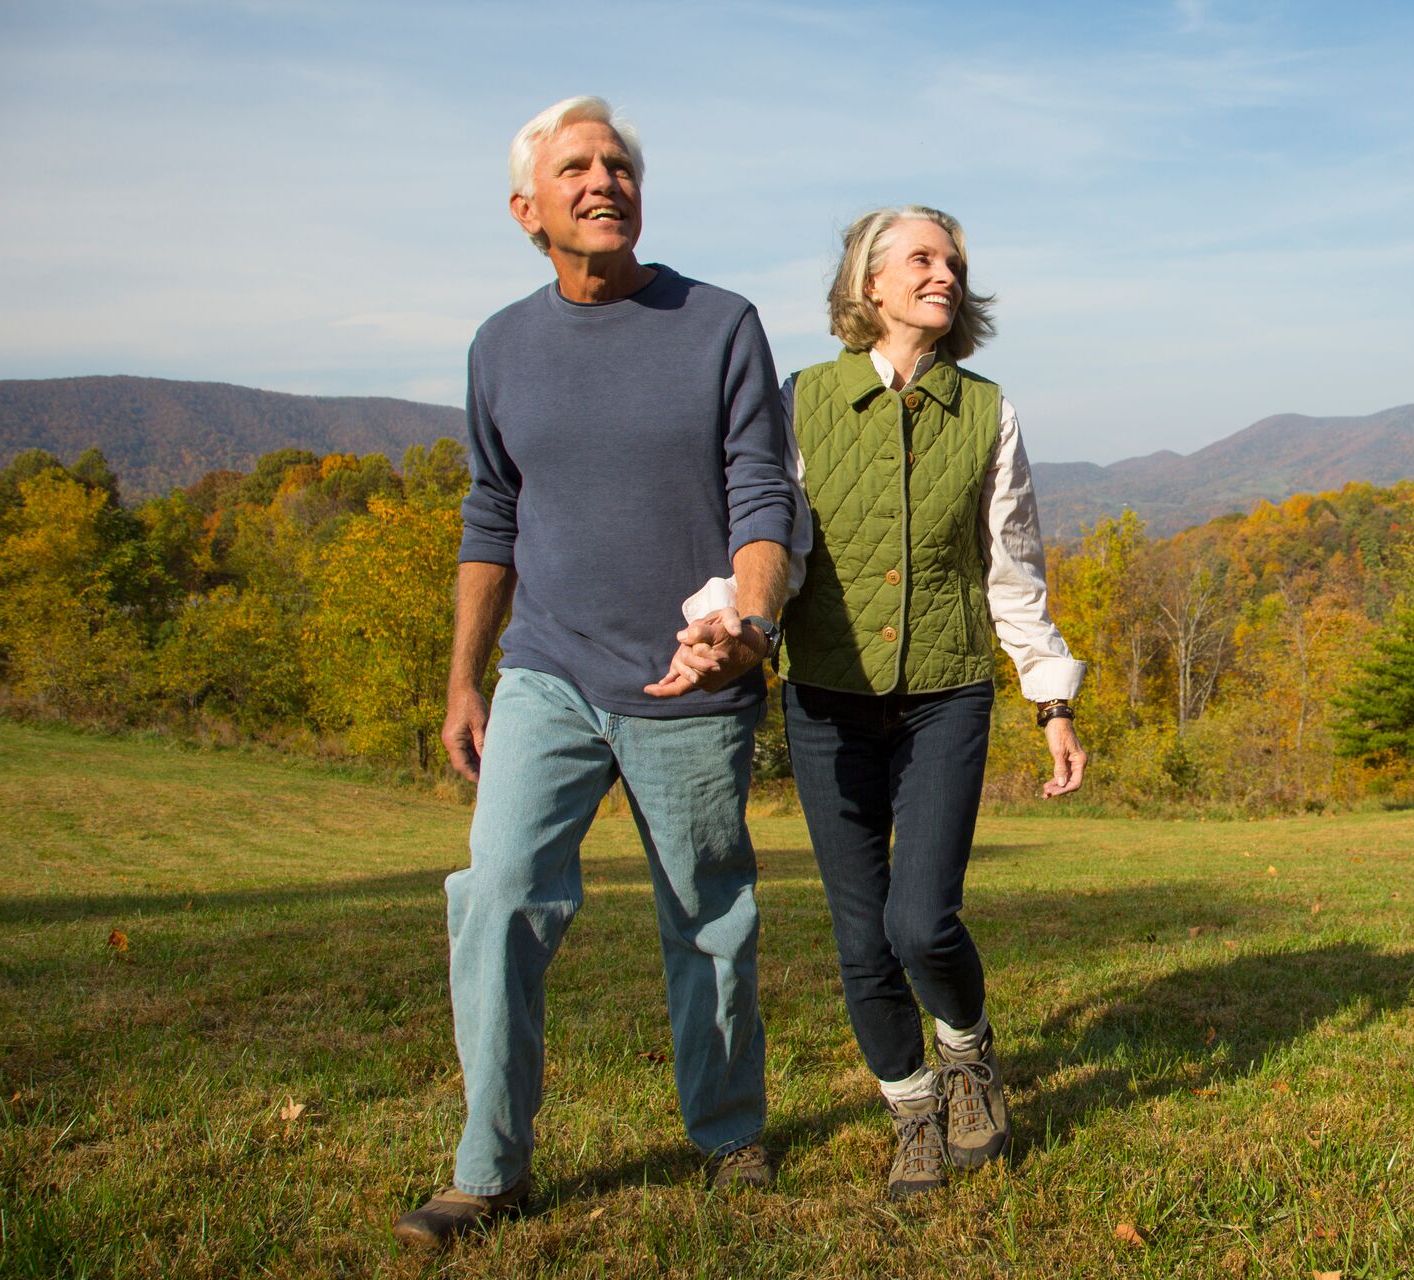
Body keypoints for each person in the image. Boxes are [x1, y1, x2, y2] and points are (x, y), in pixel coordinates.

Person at [393, 95, 794, 1247]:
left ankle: (727, 1135)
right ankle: (489, 1167)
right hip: (549, 670)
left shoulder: (720, 322)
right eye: (575, 167)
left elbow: (763, 495)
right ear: (529, 210)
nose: (603, 179)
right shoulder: (500, 345)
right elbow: (492, 510)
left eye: (618, 162)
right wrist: (464, 676)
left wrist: (748, 619)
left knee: (710, 914)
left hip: (691, 677)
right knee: (501, 893)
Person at [679, 205, 1087, 1199]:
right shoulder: (800, 399)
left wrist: (1052, 697)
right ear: (870, 284)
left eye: (953, 260)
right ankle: (912, 1108)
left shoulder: (990, 411)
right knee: (860, 935)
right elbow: (764, 532)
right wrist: (723, 620)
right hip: (826, 697)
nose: (943, 271)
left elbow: (1013, 571)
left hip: (948, 693)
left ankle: (968, 1048)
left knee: (921, 922)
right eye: (922, 258)